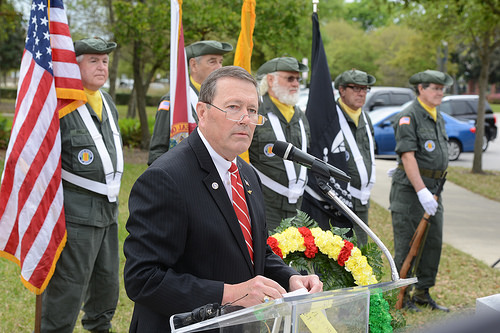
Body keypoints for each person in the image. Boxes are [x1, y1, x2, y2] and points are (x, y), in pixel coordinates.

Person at [123, 66, 323, 332]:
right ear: (203, 113)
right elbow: (143, 279)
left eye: (252, 110)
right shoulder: (165, 178)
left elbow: (255, 252)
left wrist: (291, 278)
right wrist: (230, 293)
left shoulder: (248, 173)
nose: (245, 118)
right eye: (233, 107)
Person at [41, 37, 122, 333]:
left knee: (107, 285)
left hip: (109, 211)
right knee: (68, 289)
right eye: (93, 61)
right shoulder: (60, 105)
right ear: (73, 67)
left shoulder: (107, 101)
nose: (102, 67)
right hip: (75, 214)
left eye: (105, 61)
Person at [390, 69, 453, 312]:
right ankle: (401, 294)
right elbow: (408, 156)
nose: (440, 93)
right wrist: (421, 191)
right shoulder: (409, 116)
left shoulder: (438, 116)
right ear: (421, 89)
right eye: (435, 88)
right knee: (408, 243)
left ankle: (422, 292)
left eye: (441, 88)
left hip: (435, 189)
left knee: (432, 242)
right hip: (411, 191)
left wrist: (430, 192)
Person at [303, 69, 376, 247]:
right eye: (356, 88)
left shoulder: (365, 118)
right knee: (339, 253)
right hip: (336, 201)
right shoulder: (330, 119)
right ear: (341, 90)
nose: (361, 93)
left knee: (361, 252)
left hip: (362, 199)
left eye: (365, 88)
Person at [248, 57, 310, 232]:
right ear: (270, 79)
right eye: (289, 78)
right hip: (266, 205)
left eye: (297, 79)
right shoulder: (255, 112)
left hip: (298, 206)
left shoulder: (300, 116)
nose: (295, 84)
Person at [148, 40, 233, 165]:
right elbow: (157, 152)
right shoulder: (173, 101)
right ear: (193, 64)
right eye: (212, 61)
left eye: (220, 62)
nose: (219, 67)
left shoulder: (221, 99)